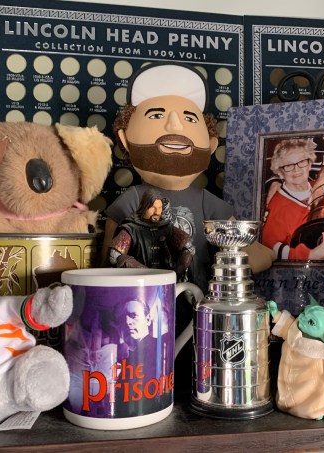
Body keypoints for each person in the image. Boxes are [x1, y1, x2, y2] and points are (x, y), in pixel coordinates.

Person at [102, 62, 274, 297]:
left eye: (190, 118)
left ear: (211, 145)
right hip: (142, 299)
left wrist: (260, 254)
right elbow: (109, 258)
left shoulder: (204, 202)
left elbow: (242, 246)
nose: (174, 124)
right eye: (157, 115)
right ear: (125, 141)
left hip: (199, 298)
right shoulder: (132, 201)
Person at [262, 138, 324, 261]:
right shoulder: (277, 205)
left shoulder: (321, 187)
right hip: (307, 267)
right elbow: (268, 247)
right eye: (288, 165)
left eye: (301, 161)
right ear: (280, 172)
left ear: (309, 164)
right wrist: (310, 255)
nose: (296, 169)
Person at [108, 188, 195, 281]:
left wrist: (177, 272)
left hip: (166, 280)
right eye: (153, 208)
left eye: (160, 208)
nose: (157, 212)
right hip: (139, 281)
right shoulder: (131, 228)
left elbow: (189, 248)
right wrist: (144, 271)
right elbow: (114, 256)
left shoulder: (167, 227)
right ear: (144, 207)